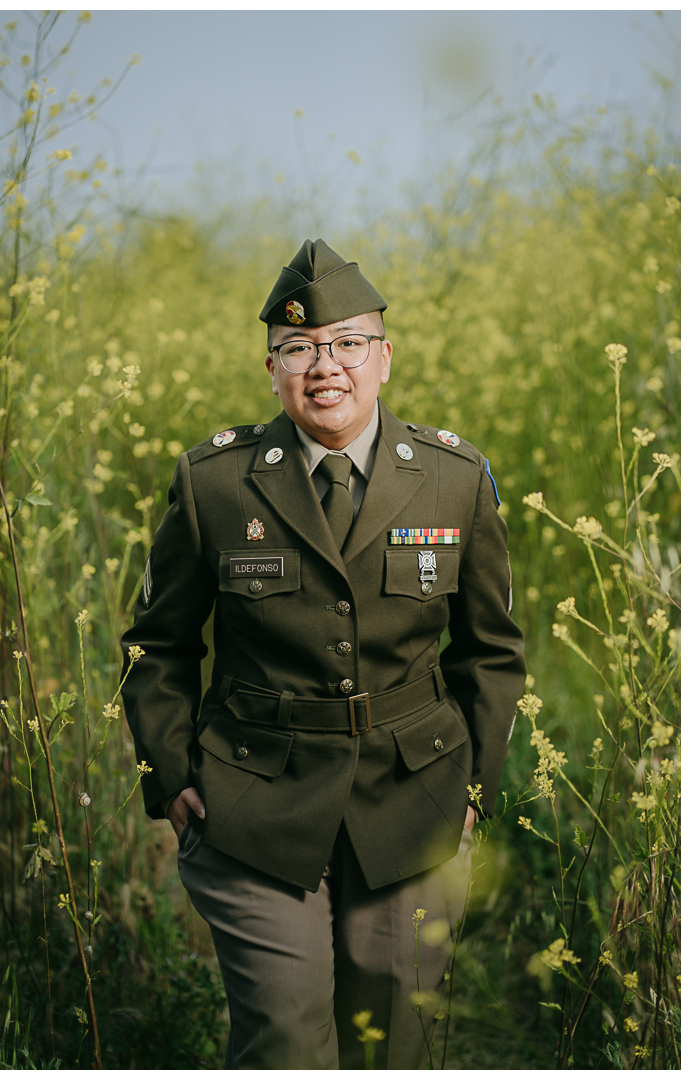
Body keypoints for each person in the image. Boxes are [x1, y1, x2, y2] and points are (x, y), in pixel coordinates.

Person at [120, 238, 525, 1069]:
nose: (324, 367)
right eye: (298, 348)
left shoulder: (455, 479)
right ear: (272, 369)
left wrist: (474, 788)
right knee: (284, 1034)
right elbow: (156, 646)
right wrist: (174, 778)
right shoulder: (216, 483)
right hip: (253, 797)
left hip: (415, 798)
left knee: (392, 1041)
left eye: (347, 344)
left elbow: (490, 651)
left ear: (383, 359)